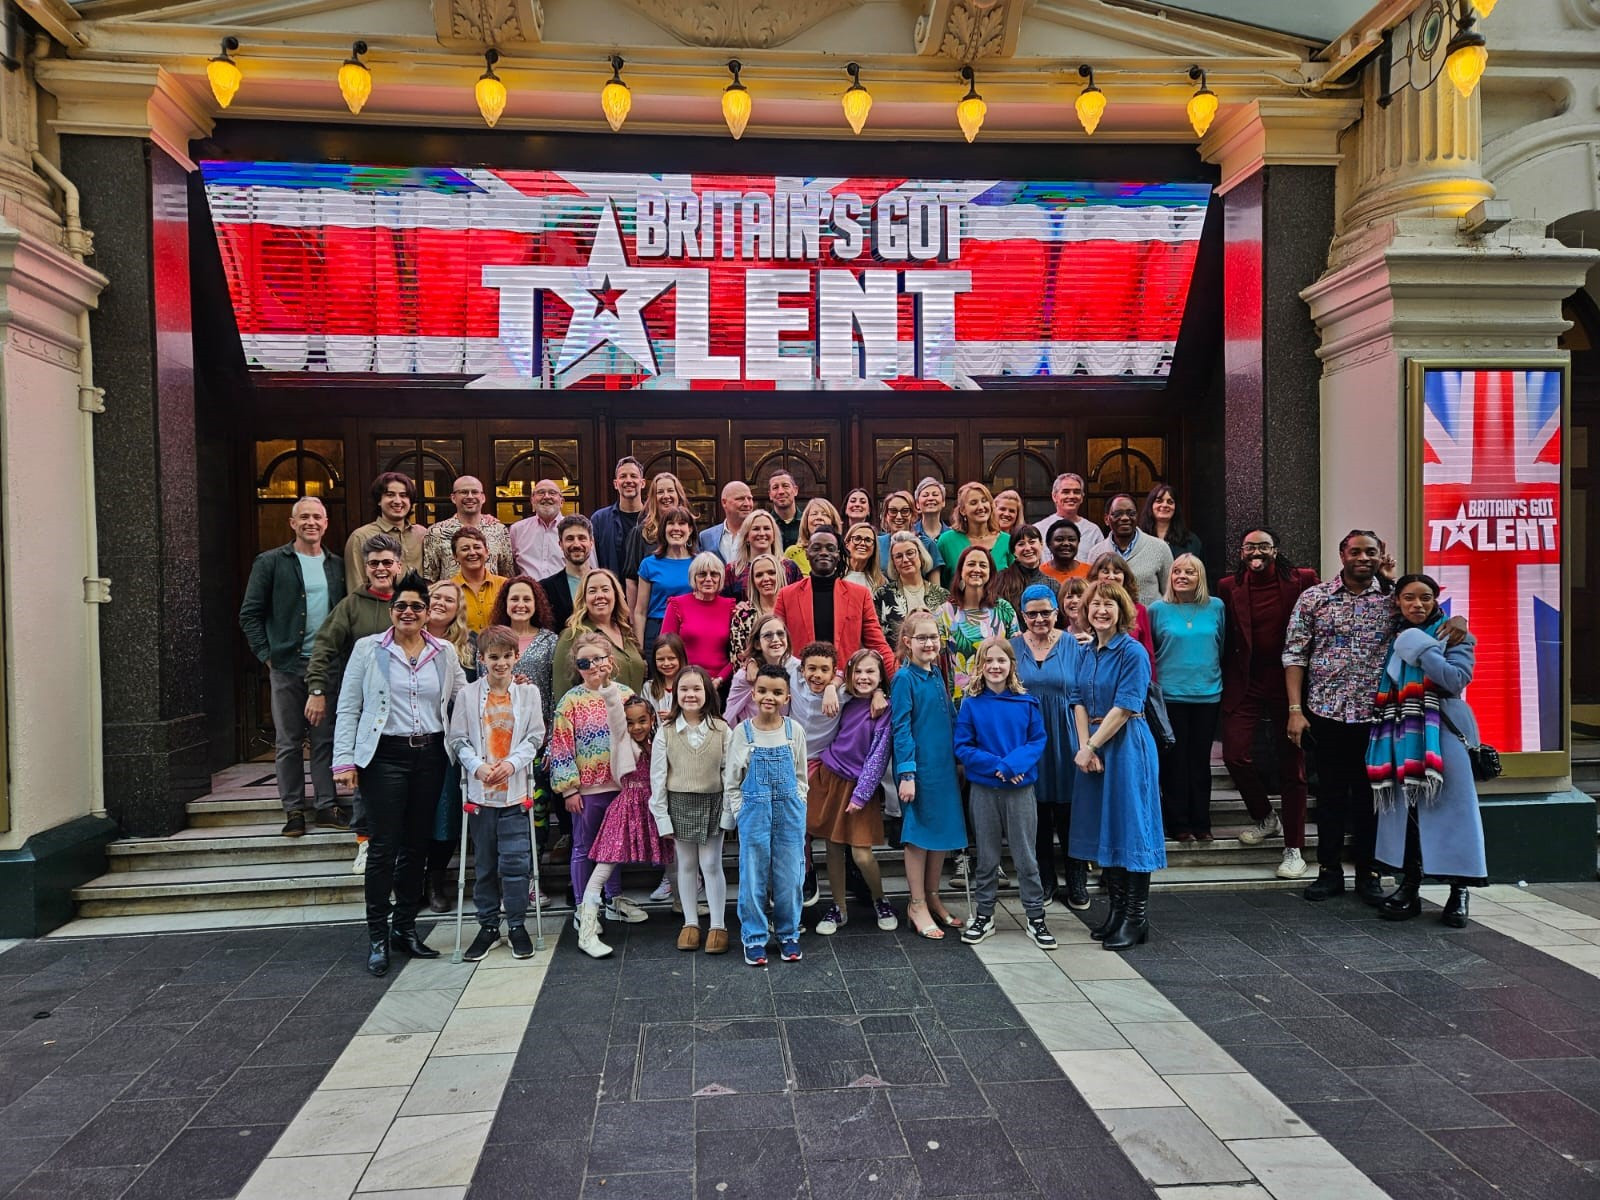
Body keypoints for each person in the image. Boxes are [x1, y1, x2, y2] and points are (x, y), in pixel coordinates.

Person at [1285, 531, 1465, 904]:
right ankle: (1329, 871)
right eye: (1355, 551)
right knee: (1330, 797)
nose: (1362, 558)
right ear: (1342, 554)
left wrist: (1457, 617)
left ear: (1381, 555)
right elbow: (1294, 655)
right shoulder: (1314, 599)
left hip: (1379, 716)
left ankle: (1369, 873)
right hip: (1326, 713)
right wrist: (1295, 711)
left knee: (1373, 798)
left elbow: (1428, 616)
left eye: (1370, 552)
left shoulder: (1391, 600)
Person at [333, 570, 468, 976]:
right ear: (391, 611)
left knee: (417, 846)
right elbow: (349, 706)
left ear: (428, 613)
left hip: (429, 755)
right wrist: (344, 762)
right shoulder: (368, 649)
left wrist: (507, 686)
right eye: (401, 606)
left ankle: (405, 929)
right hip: (384, 757)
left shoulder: (444, 651)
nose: (408, 612)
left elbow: (464, 697)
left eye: (416, 606)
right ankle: (377, 935)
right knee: (383, 848)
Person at [1366, 574, 1487, 927]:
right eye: (1408, 598)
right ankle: (1410, 885)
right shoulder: (1393, 636)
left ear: (1436, 600)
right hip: (1401, 728)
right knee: (1409, 812)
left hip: (1445, 728)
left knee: (1454, 811)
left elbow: (1455, 680)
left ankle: (1459, 892)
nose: (1417, 604)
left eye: (1425, 598)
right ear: (1398, 602)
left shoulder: (1455, 635)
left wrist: (1421, 648)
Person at [238, 496, 348, 837]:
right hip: (286, 665)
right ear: (292, 523)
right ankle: (294, 810)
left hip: (327, 665)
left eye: (317, 517)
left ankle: (326, 804)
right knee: (288, 740)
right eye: (304, 517)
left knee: (324, 739)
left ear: (326, 523)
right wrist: (266, 655)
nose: (311, 522)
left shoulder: (337, 565)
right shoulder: (271, 562)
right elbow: (250, 613)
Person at [1070, 580, 1165, 951]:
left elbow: (1126, 707)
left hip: (1126, 746)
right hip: (1094, 747)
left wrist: (1092, 744)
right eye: (1095, 605)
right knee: (1104, 828)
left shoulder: (1133, 652)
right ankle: (1117, 911)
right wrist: (1085, 748)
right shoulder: (1086, 651)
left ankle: (1136, 918)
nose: (1101, 610)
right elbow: (1076, 699)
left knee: (1131, 828)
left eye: (1109, 604)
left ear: (1122, 609)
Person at [1218, 529, 1318, 881]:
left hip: (1290, 684)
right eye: (1249, 546)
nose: (1256, 552)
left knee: (1293, 765)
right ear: (1241, 551)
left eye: (1263, 546)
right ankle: (1264, 817)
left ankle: (1294, 849)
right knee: (1235, 754)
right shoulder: (1229, 586)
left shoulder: (1302, 580)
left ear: (1276, 549)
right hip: (1245, 682)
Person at [306, 534, 406, 869]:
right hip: (368, 708)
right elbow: (324, 647)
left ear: (399, 565)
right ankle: (364, 840)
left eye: (387, 562)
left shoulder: (412, 601)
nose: (381, 568)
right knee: (367, 778)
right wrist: (317, 689)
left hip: (410, 708)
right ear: (365, 568)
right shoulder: (352, 605)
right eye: (374, 563)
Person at [446, 624, 544, 962]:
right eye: (493, 657)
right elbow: (457, 738)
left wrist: (513, 763)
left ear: (516, 657)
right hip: (481, 795)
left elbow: (535, 736)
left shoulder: (529, 694)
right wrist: (477, 766)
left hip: (515, 794)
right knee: (485, 864)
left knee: (516, 864)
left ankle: (517, 925)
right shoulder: (469, 695)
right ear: (482, 659)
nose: (500, 663)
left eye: (506, 656)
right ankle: (488, 926)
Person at [955, 638, 1056, 949]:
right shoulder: (970, 704)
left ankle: (1036, 916)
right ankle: (984, 915)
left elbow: (1036, 741)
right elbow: (963, 746)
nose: (995, 666)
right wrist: (997, 766)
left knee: (1026, 856)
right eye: (989, 661)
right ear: (980, 666)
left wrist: (1013, 766)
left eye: (1002, 660)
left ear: (1012, 665)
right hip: (985, 790)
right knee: (986, 857)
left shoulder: (1026, 703)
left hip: (1020, 789)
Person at [549, 630, 644, 956]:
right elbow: (561, 746)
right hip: (587, 788)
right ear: (578, 666)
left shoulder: (625, 694)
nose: (593, 666)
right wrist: (569, 788)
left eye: (598, 659)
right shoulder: (570, 701)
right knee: (583, 846)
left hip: (620, 785)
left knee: (613, 847)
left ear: (611, 661)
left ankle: (613, 898)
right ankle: (581, 906)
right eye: (585, 661)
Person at [809, 648, 898, 936]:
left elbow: (878, 756)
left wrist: (861, 795)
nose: (863, 677)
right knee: (833, 847)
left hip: (861, 785)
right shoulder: (845, 698)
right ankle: (838, 907)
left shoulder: (885, 710)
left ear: (880, 677)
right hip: (831, 776)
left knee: (861, 854)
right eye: (858, 671)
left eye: (870, 672)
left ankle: (879, 899)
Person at [579, 696, 677, 958]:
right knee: (605, 863)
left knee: (672, 858)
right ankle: (586, 929)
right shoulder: (622, 741)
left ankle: (681, 904)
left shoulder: (658, 741)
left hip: (654, 807)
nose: (636, 727)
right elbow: (613, 711)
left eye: (642, 720)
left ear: (652, 719)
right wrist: (607, 683)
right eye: (630, 722)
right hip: (627, 807)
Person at [724, 664, 809, 965]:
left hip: (789, 813)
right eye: (762, 691)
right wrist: (739, 810)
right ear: (753, 693)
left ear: (787, 697)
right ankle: (754, 936)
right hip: (754, 811)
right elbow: (732, 779)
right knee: (752, 876)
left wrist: (799, 800)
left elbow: (800, 775)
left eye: (776, 692)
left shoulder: (793, 730)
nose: (768, 697)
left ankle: (788, 933)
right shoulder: (742, 732)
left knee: (790, 876)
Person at [1012, 584, 1087, 910]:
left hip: (1067, 736)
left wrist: (1088, 744)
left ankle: (1076, 878)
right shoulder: (1012, 647)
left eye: (1046, 612)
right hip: (1029, 740)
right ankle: (1045, 878)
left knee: (1071, 812)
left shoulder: (1074, 645)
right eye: (1033, 613)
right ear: (1023, 615)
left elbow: (1084, 694)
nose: (1040, 619)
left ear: (1057, 613)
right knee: (1037, 814)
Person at [892, 610, 966, 938]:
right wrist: (906, 773)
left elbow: (949, 715)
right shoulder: (904, 678)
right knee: (918, 836)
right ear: (907, 642)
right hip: (918, 768)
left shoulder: (937, 673)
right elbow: (901, 727)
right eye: (921, 638)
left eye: (933, 637)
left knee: (940, 836)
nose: (929, 643)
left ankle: (934, 896)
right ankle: (916, 903)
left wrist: (960, 757)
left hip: (943, 765)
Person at [650, 667, 735, 954]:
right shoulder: (667, 731)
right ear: (676, 693)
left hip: (713, 801)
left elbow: (730, 774)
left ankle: (718, 925)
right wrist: (661, 816)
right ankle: (690, 922)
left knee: (711, 864)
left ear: (707, 692)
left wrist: (728, 813)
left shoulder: (722, 729)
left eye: (697, 689)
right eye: (684, 689)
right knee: (685, 865)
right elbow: (658, 777)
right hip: (680, 803)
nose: (690, 694)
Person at [1148, 555, 1224, 842]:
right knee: (1175, 762)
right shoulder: (1158, 609)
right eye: (1177, 571)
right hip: (1170, 697)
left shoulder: (1216, 607)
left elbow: (1222, 646)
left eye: (1189, 572)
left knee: (1199, 762)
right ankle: (1178, 824)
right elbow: (1152, 651)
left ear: (1200, 577)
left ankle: (1202, 823)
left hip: (1207, 695)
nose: (1181, 576)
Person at [773, 527, 896, 675]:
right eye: (816, 548)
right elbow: (774, 642)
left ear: (838, 555)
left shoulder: (860, 595)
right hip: (800, 685)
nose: (824, 552)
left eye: (830, 548)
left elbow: (877, 644)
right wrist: (753, 663)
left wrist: (899, 678)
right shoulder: (786, 596)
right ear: (807, 553)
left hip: (844, 686)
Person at [423, 579, 477, 912]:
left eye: (448, 599)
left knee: (444, 814)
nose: (441, 603)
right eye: (434, 597)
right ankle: (410, 880)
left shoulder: (467, 645)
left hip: (449, 740)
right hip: (407, 737)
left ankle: (435, 881)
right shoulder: (401, 638)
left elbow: (475, 690)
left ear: (458, 608)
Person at [936, 546, 1019, 702]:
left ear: (990, 573)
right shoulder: (945, 612)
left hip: (998, 697)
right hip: (958, 700)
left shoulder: (1004, 609)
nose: (977, 569)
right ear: (961, 570)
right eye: (971, 564)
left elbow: (1015, 655)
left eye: (983, 565)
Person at [552, 568, 646, 694]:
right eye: (592, 591)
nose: (600, 596)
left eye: (605, 589)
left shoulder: (627, 632)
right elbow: (562, 690)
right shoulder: (572, 635)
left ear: (615, 595)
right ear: (584, 598)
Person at [488, 577, 560, 733]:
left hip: (539, 728)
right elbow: (482, 685)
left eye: (527, 599)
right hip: (498, 726)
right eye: (514, 599)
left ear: (536, 604)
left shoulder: (550, 641)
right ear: (505, 603)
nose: (520, 605)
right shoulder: (490, 640)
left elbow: (556, 691)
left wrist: (551, 735)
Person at [663, 552, 738, 688]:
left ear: (721, 578)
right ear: (693, 578)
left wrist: (720, 679)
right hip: (684, 682)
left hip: (721, 684)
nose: (708, 579)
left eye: (714, 574)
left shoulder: (730, 607)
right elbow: (665, 648)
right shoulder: (677, 605)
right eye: (702, 574)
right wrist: (684, 678)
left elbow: (737, 653)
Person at [633, 505, 697, 655]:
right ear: (663, 530)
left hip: (689, 630)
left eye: (682, 524)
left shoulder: (699, 564)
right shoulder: (649, 564)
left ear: (690, 530)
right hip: (656, 630)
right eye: (671, 524)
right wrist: (639, 650)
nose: (676, 528)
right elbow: (640, 611)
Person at [345, 471, 425, 590]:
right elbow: (356, 588)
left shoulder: (422, 534)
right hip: (378, 606)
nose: (398, 501)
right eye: (390, 494)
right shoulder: (361, 537)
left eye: (403, 495)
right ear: (378, 500)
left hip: (419, 606)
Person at [423, 476, 513, 581]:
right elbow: (429, 578)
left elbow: (507, 575)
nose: (470, 496)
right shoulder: (436, 532)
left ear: (483, 497)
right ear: (453, 498)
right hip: (452, 596)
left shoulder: (499, 530)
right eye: (464, 492)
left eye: (475, 492)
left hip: (491, 596)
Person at [623, 472, 688, 611]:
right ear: (653, 498)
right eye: (660, 492)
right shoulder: (640, 533)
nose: (666, 496)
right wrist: (633, 621)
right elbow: (631, 580)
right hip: (653, 616)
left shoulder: (688, 531)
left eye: (670, 491)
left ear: (679, 496)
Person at [875, 530, 949, 651]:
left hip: (935, 665)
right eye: (898, 556)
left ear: (920, 555)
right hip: (897, 665)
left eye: (910, 553)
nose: (905, 560)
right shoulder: (882, 595)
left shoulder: (942, 596)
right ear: (893, 563)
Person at [511, 479, 591, 580]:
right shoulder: (517, 530)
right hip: (529, 593)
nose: (547, 497)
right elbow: (508, 568)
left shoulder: (577, 531)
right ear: (532, 500)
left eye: (552, 493)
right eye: (541, 493)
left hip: (564, 594)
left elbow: (591, 568)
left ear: (562, 502)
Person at [1088, 552, 1157, 668]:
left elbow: (1148, 653)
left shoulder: (1139, 610)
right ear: (1096, 576)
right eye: (1105, 572)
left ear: (1125, 576)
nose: (1111, 576)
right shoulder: (1088, 608)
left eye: (1116, 572)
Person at [725, 615, 798, 724]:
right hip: (751, 736)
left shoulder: (796, 667)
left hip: (783, 736)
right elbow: (729, 716)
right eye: (768, 635)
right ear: (757, 644)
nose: (776, 639)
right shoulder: (745, 676)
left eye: (780, 634)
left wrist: (831, 686)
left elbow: (828, 673)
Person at [1102, 493, 1173, 604]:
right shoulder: (1096, 552)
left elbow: (1170, 594)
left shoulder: (1160, 548)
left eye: (1131, 513)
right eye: (1118, 514)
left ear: (1137, 516)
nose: (1125, 518)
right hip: (1108, 619)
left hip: (1149, 620)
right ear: (1107, 519)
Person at [937, 482, 1012, 577]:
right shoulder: (946, 541)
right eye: (974, 503)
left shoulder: (1007, 541)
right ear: (963, 510)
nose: (981, 507)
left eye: (984, 501)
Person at [724, 510, 802, 599]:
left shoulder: (789, 567)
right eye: (756, 529)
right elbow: (723, 605)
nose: (762, 533)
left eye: (766, 528)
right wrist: (736, 606)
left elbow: (800, 600)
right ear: (746, 537)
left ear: (774, 536)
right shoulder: (733, 571)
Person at [728, 552, 785, 671]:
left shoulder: (793, 609)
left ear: (780, 575)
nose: (766, 579)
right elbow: (739, 659)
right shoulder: (743, 616)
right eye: (759, 575)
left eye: (771, 573)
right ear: (753, 581)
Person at [590, 456, 646, 576]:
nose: (628, 480)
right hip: (610, 592)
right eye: (623, 476)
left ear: (642, 483)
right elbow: (592, 561)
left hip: (648, 591)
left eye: (634, 476)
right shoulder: (599, 520)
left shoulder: (655, 518)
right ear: (616, 484)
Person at [537, 514, 593, 631]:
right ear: (560, 544)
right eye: (570, 539)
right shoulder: (545, 588)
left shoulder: (607, 584)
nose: (576, 544)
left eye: (582, 538)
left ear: (591, 543)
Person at [1035, 472, 1106, 563]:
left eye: (1076, 492)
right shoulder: (1039, 529)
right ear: (1054, 496)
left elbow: (1102, 565)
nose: (1071, 496)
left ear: (1082, 497)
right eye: (1066, 492)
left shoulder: (1093, 531)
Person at [450, 527, 507, 634]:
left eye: (477, 547)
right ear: (455, 556)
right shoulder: (449, 589)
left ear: (486, 552)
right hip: (462, 649)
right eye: (465, 549)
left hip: (499, 648)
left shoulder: (505, 585)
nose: (472, 553)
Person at [1139, 484, 1202, 561]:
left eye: (1170, 502)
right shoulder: (1139, 539)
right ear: (1150, 506)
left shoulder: (1191, 541)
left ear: (1176, 508)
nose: (1165, 505)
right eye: (1159, 501)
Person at [783, 498, 845, 576]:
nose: (819, 517)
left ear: (833, 523)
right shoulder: (792, 553)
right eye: (814, 514)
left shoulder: (841, 555)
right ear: (806, 521)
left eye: (825, 514)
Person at [700, 480, 755, 561]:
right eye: (740, 499)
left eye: (750, 499)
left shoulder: (760, 534)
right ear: (724, 502)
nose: (747, 504)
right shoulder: (706, 537)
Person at [995, 523, 1046, 610]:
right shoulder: (1000, 581)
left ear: (1041, 544)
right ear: (1013, 551)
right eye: (1021, 544)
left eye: (1032, 542)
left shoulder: (1052, 583)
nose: (1027, 548)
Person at [912, 477, 951, 581]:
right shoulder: (910, 534)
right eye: (925, 495)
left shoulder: (952, 536)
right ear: (917, 504)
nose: (930, 498)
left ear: (943, 502)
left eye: (935, 494)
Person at [643, 633, 686, 718]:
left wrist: (676, 717)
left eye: (671, 658)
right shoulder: (648, 687)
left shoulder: (690, 686)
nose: (666, 663)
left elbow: (698, 715)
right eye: (661, 659)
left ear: (681, 658)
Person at [1041, 522, 1090, 586]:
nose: (1066, 543)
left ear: (1078, 543)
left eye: (1071, 539)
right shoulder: (1041, 573)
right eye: (1059, 539)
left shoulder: (1090, 572)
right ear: (1048, 544)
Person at [877, 489, 916, 567]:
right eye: (893, 511)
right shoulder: (877, 543)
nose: (899, 517)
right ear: (885, 515)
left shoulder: (926, 544)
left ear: (913, 515)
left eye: (905, 511)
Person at [842, 522, 886, 592]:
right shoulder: (836, 576)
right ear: (847, 544)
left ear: (874, 547)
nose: (862, 543)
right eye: (857, 539)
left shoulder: (881, 582)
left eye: (868, 540)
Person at [766, 470, 802, 548]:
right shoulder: (765, 524)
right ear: (770, 495)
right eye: (775, 487)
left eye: (785, 486)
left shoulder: (806, 523)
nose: (781, 492)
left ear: (795, 490)